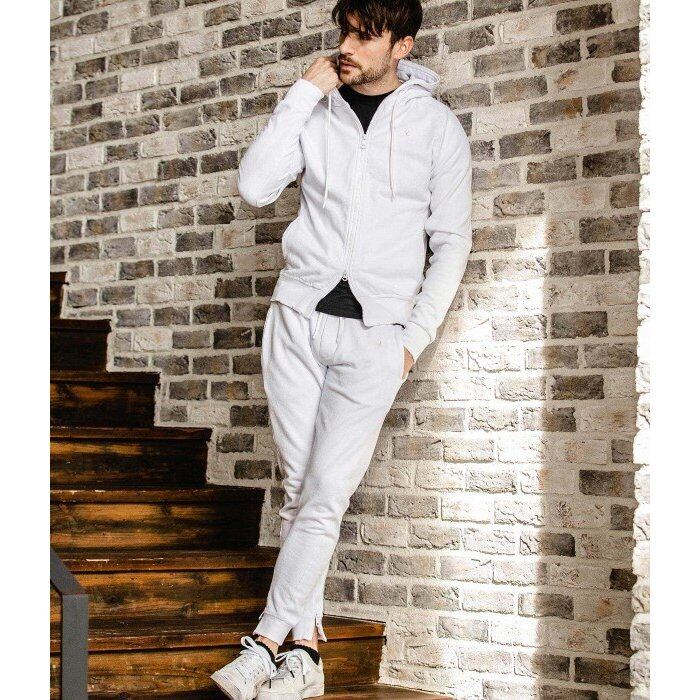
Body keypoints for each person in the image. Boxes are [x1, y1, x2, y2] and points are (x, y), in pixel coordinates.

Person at [211, 1, 472, 697]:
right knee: (302, 491)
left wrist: (412, 341)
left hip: (376, 336)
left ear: (403, 45)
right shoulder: (318, 109)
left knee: (325, 494)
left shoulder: (435, 128)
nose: (348, 46)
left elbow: (452, 243)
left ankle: (266, 640)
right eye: (345, 32)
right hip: (297, 320)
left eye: (366, 35)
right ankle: (305, 657)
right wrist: (305, 91)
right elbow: (255, 187)